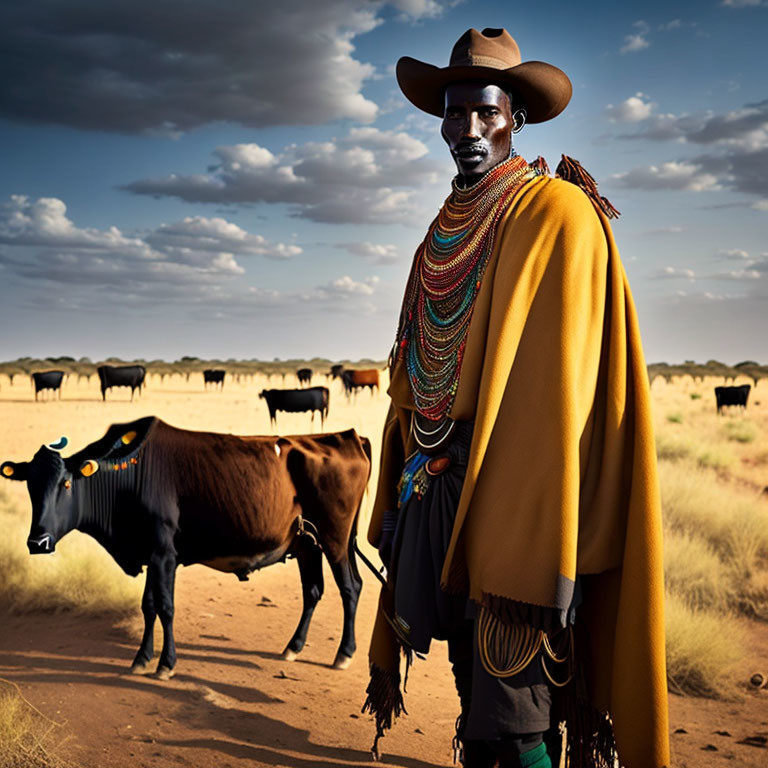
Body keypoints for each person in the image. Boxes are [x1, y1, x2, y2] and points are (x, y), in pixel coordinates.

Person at [362, 28, 670, 768]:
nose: (467, 129)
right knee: (475, 689)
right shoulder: (441, 232)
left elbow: (561, 393)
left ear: (516, 119)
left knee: (518, 707)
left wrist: (538, 517)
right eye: (455, 113)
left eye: (486, 113)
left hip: (522, 502)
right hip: (439, 493)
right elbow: (416, 373)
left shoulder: (557, 213)